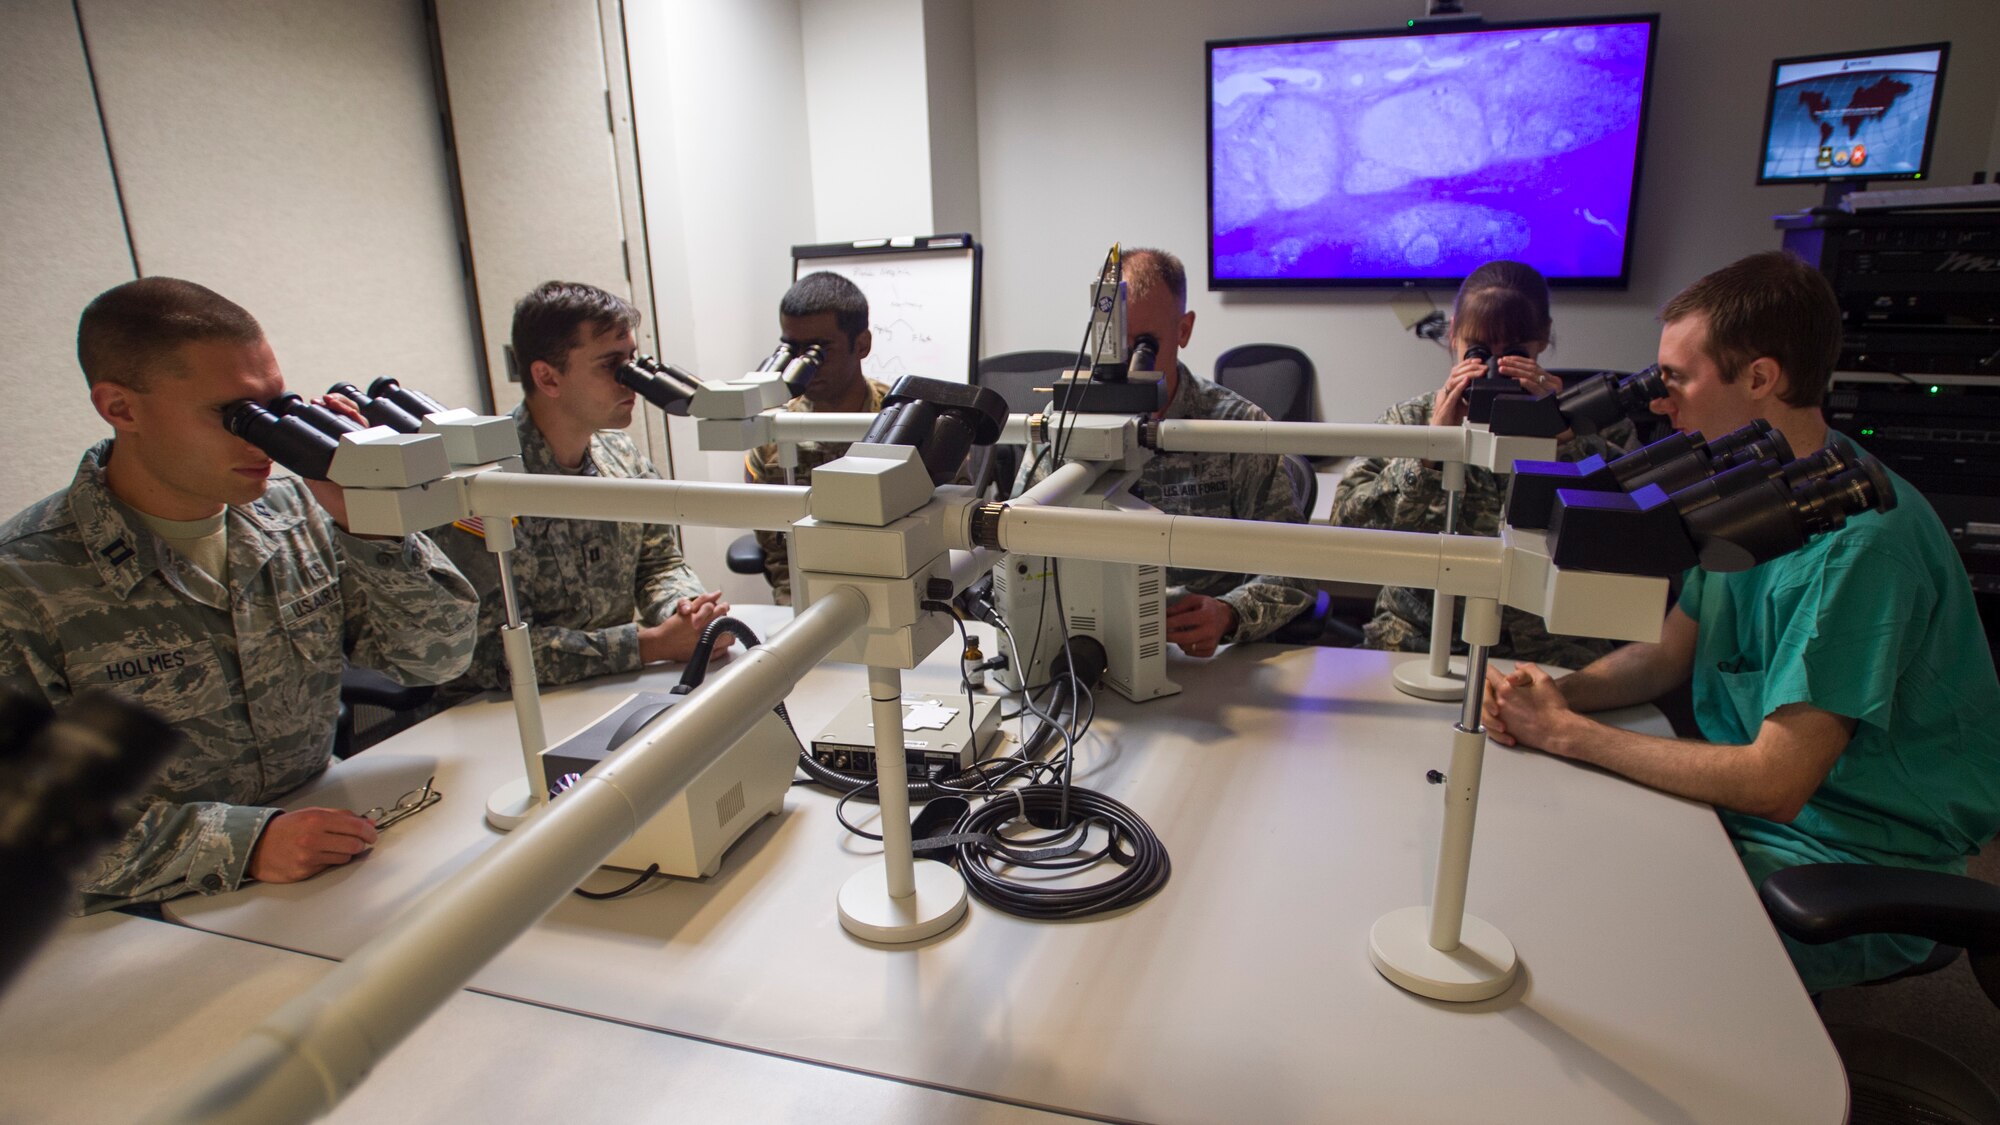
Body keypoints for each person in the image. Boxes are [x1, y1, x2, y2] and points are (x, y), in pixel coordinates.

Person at [1481, 251, 2000, 992]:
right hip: (1745, 820)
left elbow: (1775, 780)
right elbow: (1666, 653)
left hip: (1848, 853)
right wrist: (1559, 694)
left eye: (1678, 380)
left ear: (1759, 377)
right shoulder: (1753, 496)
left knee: (1588, 934)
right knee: (1547, 849)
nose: (1662, 403)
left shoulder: (1860, 541)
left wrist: (1570, 733)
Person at [0, 277, 479, 913]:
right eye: (233, 416)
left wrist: (367, 527)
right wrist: (244, 843)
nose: (263, 440)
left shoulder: (297, 518)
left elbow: (437, 659)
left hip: (326, 857)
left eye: (274, 410)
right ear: (121, 408)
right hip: (143, 915)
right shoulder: (25, 580)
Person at [436, 281, 730, 701]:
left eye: (633, 361)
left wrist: (685, 614)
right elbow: (486, 651)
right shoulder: (485, 485)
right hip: (506, 708)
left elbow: (658, 561)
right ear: (547, 378)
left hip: (613, 688)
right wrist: (649, 645)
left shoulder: (620, 455)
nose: (631, 382)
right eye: (612, 365)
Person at [1331, 260, 1635, 666]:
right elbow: (1347, 530)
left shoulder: (1594, 425)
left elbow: (1632, 537)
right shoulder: (1410, 420)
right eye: (1478, 351)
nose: (1493, 368)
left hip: (1551, 647)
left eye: (1513, 353)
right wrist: (1430, 451)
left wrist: (1567, 441)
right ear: (1453, 333)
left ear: (1542, 338)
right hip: (1417, 641)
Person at [1014, 247, 1314, 655]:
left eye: (1144, 345)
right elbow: (1016, 543)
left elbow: (1296, 567)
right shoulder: (1063, 424)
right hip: (1086, 642)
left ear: (1184, 331)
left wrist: (1229, 613)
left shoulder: (1236, 427)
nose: (1127, 365)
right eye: (1112, 344)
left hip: (1200, 654)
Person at [743, 271, 891, 605]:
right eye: (792, 348)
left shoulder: (908, 423)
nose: (805, 363)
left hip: (904, 594)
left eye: (821, 349)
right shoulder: (772, 437)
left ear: (862, 344)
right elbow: (779, 558)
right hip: (809, 602)